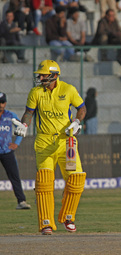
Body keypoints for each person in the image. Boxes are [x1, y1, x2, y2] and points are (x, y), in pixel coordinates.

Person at [12, 59, 87, 235]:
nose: (40, 77)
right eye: (40, 75)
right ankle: (46, 223)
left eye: (43, 75)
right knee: (44, 182)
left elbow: (82, 108)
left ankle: (68, 217)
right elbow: (29, 113)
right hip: (44, 142)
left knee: (76, 179)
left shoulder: (68, 89)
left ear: (54, 75)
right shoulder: (36, 92)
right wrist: (24, 125)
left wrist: (77, 121)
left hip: (66, 141)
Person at [0, 92, 31, 210]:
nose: (0, 105)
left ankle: (21, 201)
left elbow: (22, 127)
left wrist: (17, 143)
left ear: (5, 103)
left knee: (14, 176)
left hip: (6, 151)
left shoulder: (10, 115)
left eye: (2, 102)